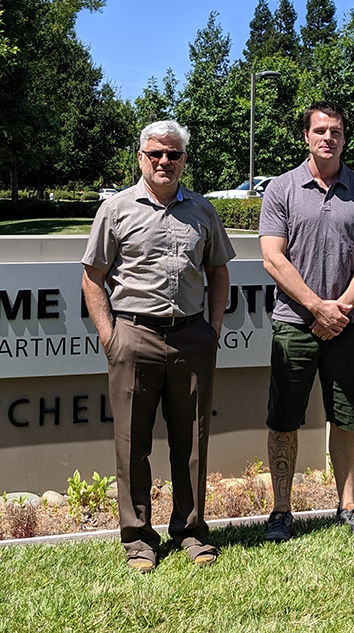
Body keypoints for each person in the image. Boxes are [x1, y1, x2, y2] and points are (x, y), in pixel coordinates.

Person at [81, 120, 235, 573]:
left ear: (184, 159)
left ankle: (190, 531)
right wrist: (111, 337)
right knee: (133, 443)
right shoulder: (116, 209)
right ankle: (138, 539)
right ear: (140, 157)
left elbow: (219, 272)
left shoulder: (203, 212)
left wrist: (213, 328)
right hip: (134, 337)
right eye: (156, 154)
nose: (164, 161)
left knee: (192, 442)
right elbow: (93, 276)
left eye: (173, 154)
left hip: (191, 337)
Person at [258, 101, 354, 542]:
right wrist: (316, 307)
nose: (327, 137)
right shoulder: (281, 188)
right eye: (320, 131)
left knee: (346, 418)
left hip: (347, 326)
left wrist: (339, 310)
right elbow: (273, 257)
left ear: (345, 137)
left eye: (335, 131)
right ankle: (281, 510)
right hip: (293, 325)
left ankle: (348, 506)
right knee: (284, 419)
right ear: (306, 137)